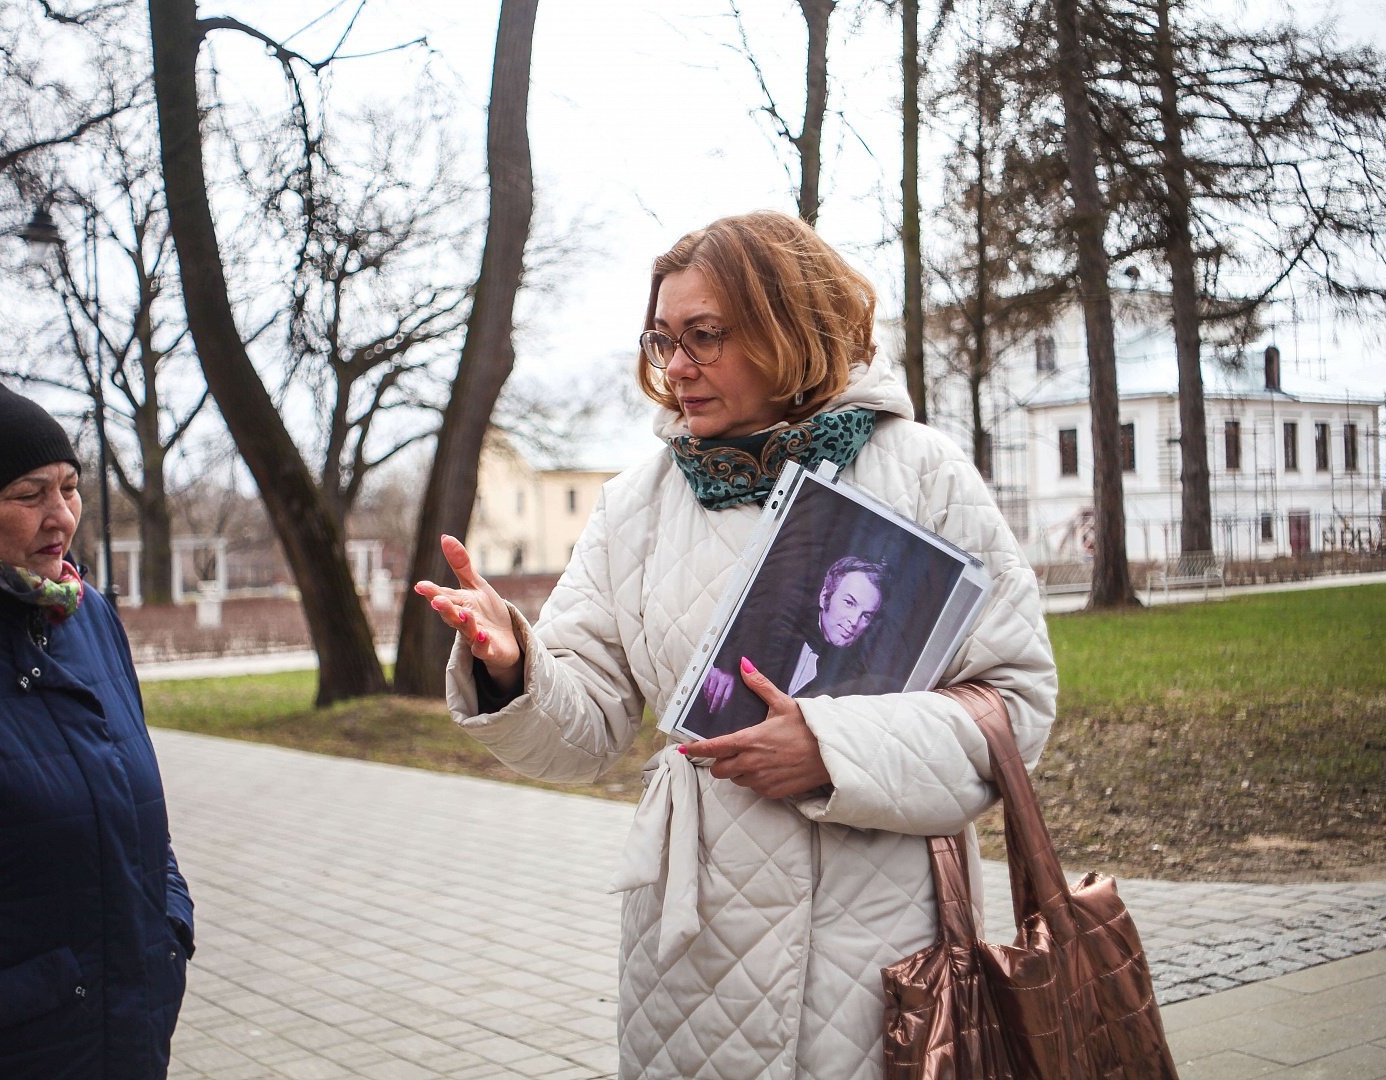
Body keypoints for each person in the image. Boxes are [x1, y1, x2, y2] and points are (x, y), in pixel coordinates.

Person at [415, 211, 1056, 1078]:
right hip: (691, 952)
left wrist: (831, 750)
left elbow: (1013, 706)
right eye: (663, 341)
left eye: (705, 337)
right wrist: (511, 666)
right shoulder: (634, 505)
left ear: (790, 328)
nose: (676, 368)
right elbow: (588, 732)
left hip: (875, 943)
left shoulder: (921, 472)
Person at [0, 360, 194, 1079]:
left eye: (70, 487)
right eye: (30, 494)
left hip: (124, 1028)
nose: (63, 516)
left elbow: (140, 810)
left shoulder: (87, 615)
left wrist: (168, 924)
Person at [700, 554, 889, 715]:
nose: (854, 621)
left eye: (866, 616)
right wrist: (718, 667)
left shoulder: (856, 686)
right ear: (825, 597)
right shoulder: (768, 623)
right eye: (849, 603)